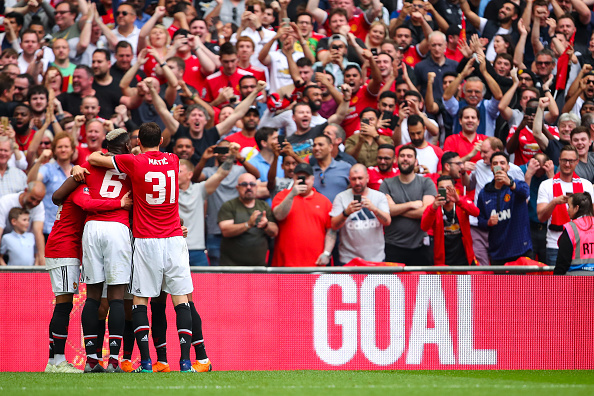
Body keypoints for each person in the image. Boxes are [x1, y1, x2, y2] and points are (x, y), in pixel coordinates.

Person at [88, 122, 198, 373]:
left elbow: (96, 158)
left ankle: (146, 362)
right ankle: (185, 362)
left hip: (146, 239)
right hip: (173, 238)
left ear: (138, 143)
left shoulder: (133, 162)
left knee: (140, 299)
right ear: (161, 142)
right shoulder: (173, 159)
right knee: (181, 300)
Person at [44, 161, 131, 374]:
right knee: (63, 304)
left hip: (71, 250)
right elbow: (87, 204)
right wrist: (119, 203)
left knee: (64, 304)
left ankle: (55, 360)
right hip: (63, 249)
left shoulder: (82, 185)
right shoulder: (80, 189)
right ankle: (56, 361)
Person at [77, 129, 133, 373]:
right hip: (117, 228)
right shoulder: (132, 165)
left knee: (92, 296)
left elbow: (80, 171)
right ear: (127, 146)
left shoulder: (90, 161)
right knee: (117, 297)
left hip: (92, 227)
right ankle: (113, 361)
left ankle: (91, 360)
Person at [537, 145, 594, 266]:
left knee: (581, 283)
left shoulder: (586, 185)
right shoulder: (546, 185)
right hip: (554, 244)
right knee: (557, 284)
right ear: (559, 160)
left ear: (577, 161)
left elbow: (592, 216)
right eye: (564, 160)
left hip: (581, 243)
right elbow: (541, 217)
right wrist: (554, 202)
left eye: (571, 161)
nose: (567, 164)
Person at [380, 146, 436, 265]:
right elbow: (386, 211)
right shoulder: (387, 184)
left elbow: (426, 212)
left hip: (420, 246)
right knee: (393, 284)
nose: (405, 159)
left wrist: (397, 208)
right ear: (396, 159)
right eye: (402, 156)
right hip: (393, 245)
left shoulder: (426, 183)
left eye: (409, 156)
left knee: (421, 283)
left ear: (416, 161)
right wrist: (412, 204)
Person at [272, 163, 336, 267]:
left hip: (315, 264)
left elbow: (331, 230)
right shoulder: (283, 195)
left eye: (305, 178)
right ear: (294, 179)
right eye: (299, 178)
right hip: (286, 265)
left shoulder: (324, 201)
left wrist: (327, 253)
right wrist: (292, 194)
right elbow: (279, 215)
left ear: (313, 179)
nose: (303, 181)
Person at [477, 152, 532, 265]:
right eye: (495, 163)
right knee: (501, 284)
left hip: (521, 250)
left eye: (502, 163)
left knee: (524, 283)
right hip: (498, 252)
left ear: (508, 166)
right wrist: (488, 222)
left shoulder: (517, 185)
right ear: (491, 167)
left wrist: (510, 183)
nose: (499, 165)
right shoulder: (484, 193)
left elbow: (525, 192)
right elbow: (480, 220)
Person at [330, 164, 390, 264]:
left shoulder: (379, 196)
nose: (357, 182)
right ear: (349, 179)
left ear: (367, 178)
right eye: (354, 179)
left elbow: (387, 221)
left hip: (375, 258)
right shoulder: (341, 197)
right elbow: (334, 225)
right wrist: (346, 213)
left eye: (360, 178)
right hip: (349, 259)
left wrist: (374, 209)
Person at [179, 157, 232, 266]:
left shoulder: (199, 189)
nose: (175, 174)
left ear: (189, 175)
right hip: (175, 248)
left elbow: (221, 174)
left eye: (179, 171)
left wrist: (232, 156)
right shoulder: (166, 192)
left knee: (205, 282)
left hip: (197, 249)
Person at [218, 173, 278, 265]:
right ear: (237, 188)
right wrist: (247, 225)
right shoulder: (229, 206)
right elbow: (226, 231)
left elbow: (274, 232)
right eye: (244, 184)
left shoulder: (263, 206)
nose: (249, 187)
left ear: (257, 187)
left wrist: (266, 225)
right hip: (232, 267)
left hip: (259, 267)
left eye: (252, 184)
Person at [421, 176, 479, 266]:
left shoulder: (461, 202)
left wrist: (458, 200)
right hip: (443, 260)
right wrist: (433, 208)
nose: (446, 192)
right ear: (438, 191)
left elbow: (476, 212)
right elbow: (424, 227)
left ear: (454, 189)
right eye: (442, 189)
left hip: (464, 259)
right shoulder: (434, 208)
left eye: (448, 188)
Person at [0, 181, 45, 265]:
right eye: (32, 198)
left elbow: (38, 232)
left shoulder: (39, 206)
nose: (34, 203)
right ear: (26, 190)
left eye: (38, 201)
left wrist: (42, 259)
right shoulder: (5, 201)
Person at [555, 192, 594, 275]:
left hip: (575, 282)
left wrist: (556, 284)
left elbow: (562, 263)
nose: (567, 209)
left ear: (576, 208)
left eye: (569, 206)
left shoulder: (571, 228)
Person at [311, 134, 351, 203]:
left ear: (330, 147)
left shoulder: (345, 168)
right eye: (314, 145)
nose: (316, 148)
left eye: (320, 145)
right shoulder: (310, 172)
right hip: (317, 212)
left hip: (342, 212)